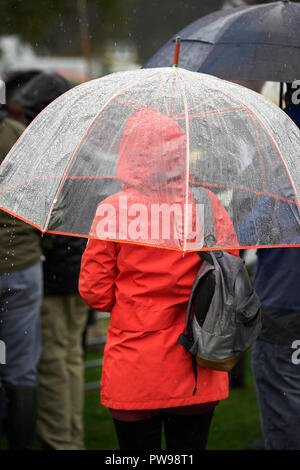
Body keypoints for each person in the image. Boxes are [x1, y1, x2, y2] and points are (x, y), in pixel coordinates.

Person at [79, 108, 239, 450]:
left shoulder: (113, 209)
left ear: (129, 155)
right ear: (180, 152)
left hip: (135, 361)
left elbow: (95, 291)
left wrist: (133, 304)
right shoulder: (208, 205)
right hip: (199, 354)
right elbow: (230, 276)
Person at [12, 72, 89, 450]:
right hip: (79, 269)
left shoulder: (45, 151)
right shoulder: (78, 144)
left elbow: (47, 222)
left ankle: (60, 440)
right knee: (70, 356)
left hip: (56, 272)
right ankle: (72, 434)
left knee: (54, 361)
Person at [250, 83, 300, 450]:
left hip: (284, 302)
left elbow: (245, 229)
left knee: (285, 414)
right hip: (285, 296)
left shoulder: (280, 152)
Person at [0, 105, 43, 449]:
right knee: (21, 368)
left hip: (21, 264)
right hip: (21, 263)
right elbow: (44, 200)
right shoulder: (18, 135)